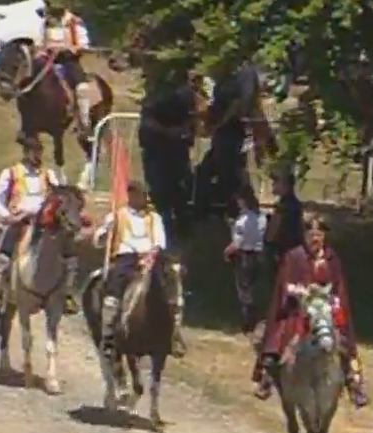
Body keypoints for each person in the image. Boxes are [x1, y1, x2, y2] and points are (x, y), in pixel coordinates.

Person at [251, 212, 367, 406]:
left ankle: (351, 380)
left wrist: (334, 301)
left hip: (327, 308)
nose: (315, 239)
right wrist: (301, 292)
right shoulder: (294, 256)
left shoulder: (332, 259)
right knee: (282, 334)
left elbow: (339, 287)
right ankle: (268, 375)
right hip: (298, 309)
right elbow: (286, 284)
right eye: (311, 235)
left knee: (342, 338)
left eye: (319, 235)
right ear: (305, 236)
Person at [92, 179, 186, 358]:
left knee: (171, 286)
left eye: (141, 195)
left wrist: (152, 256)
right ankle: (109, 333)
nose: (137, 198)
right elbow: (98, 241)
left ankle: (173, 333)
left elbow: (160, 243)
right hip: (125, 258)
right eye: (133, 194)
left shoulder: (154, 218)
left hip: (150, 258)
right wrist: (106, 231)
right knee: (114, 289)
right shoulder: (117, 215)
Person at [0, 132, 78, 312]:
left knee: (69, 250)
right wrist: (7, 216)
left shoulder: (49, 174)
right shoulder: (11, 173)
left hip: (45, 221)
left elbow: (60, 194)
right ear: (26, 152)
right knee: (7, 245)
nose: (37, 155)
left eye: (39, 151)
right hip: (21, 219)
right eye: (34, 151)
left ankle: (67, 292)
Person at [138, 72, 200, 240]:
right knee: (164, 190)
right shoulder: (176, 94)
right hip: (160, 148)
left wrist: (175, 132)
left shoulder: (171, 95)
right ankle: (166, 228)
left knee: (170, 190)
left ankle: (176, 227)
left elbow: (148, 120)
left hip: (167, 149)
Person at [194, 59, 259, 216]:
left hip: (231, 132)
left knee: (230, 174)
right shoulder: (226, 78)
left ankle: (237, 211)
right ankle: (204, 209)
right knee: (205, 171)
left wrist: (220, 124)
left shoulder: (242, 75)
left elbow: (237, 106)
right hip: (222, 133)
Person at [43, 2, 93, 140]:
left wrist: (73, 48)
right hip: (48, 60)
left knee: (82, 89)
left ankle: (85, 123)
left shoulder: (75, 23)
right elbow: (41, 41)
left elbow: (84, 44)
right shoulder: (46, 22)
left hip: (69, 61)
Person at [224, 183, 267, 334]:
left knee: (244, 290)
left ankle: (248, 322)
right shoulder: (261, 217)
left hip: (245, 256)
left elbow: (238, 241)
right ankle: (254, 319)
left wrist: (226, 252)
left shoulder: (244, 219)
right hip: (258, 254)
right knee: (253, 288)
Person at [262, 162, 305, 270]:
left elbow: (272, 232)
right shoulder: (293, 204)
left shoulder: (284, 206)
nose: (273, 185)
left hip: (283, 252)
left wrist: (266, 243)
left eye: (276, 181)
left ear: (286, 185)